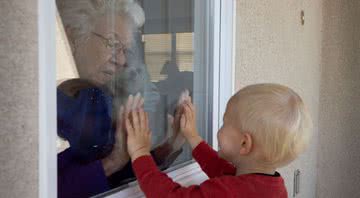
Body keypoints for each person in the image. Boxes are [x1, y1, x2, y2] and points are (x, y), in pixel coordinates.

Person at [56, 0, 185, 197]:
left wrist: (166, 149)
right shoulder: (45, 100)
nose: (123, 60)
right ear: (73, 35)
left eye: (125, 49)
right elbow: (42, 187)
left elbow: (114, 179)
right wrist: (112, 162)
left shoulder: (103, 99)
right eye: (113, 44)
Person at [124, 83, 313, 197]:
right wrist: (192, 136)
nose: (219, 128)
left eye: (224, 123)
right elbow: (220, 169)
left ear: (244, 144)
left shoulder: (229, 193)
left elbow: (170, 196)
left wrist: (140, 152)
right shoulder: (270, 186)